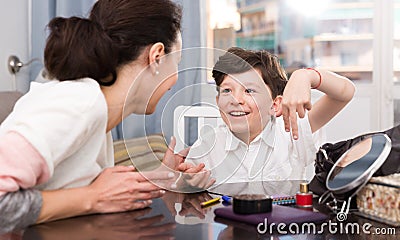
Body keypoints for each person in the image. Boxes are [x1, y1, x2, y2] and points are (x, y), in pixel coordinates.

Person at [0, 0, 206, 232]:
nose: (176, 78)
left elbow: (66, 190)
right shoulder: (77, 103)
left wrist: (160, 177)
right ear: (157, 56)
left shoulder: (97, 113)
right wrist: (93, 196)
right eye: (176, 63)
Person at [186, 47, 355, 185]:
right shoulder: (207, 145)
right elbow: (183, 184)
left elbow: (344, 94)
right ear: (217, 100)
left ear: (275, 105)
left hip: (283, 226)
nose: (235, 100)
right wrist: (186, 183)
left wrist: (306, 75)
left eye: (249, 90)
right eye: (227, 90)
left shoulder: (292, 131)